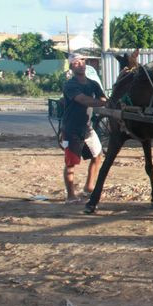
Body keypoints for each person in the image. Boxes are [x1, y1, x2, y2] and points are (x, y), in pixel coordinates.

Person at [62, 52, 107, 204]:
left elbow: (102, 98)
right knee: (71, 163)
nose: (80, 64)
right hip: (71, 129)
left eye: (82, 61)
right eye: (76, 63)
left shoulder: (92, 83)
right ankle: (70, 196)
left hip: (87, 127)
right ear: (71, 67)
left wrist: (105, 101)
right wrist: (102, 103)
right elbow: (82, 99)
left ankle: (89, 187)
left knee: (98, 155)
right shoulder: (70, 85)